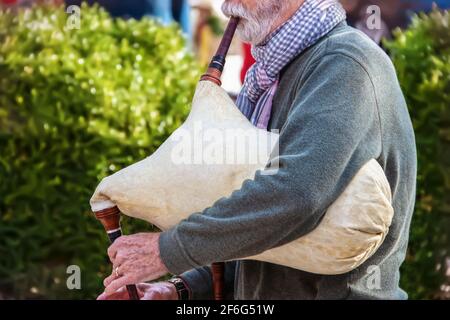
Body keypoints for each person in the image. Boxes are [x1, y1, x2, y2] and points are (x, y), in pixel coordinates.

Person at [98, 0, 417, 300]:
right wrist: (180, 289)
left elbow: (296, 195)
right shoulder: (269, 77)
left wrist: (167, 250)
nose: (226, 7)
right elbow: (262, 238)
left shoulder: (344, 64)